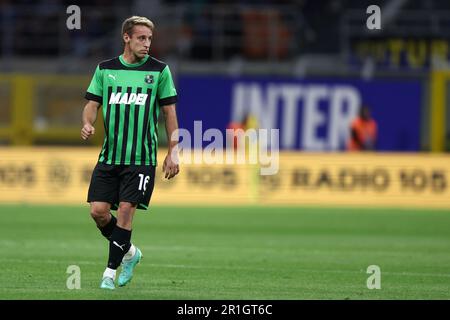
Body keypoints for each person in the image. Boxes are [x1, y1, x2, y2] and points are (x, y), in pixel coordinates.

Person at [81, 16, 180, 290]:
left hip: (141, 159)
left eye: (149, 39)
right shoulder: (105, 69)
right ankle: (130, 253)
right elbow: (92, 104)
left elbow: (169, 112)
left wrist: (173, 152)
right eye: (141, 38)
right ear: (126, 37)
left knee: (126, 210)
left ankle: (109, 274)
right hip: (109, 156)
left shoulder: (160, 71)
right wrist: (87, 122)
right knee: (98, 212)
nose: (147, 44)